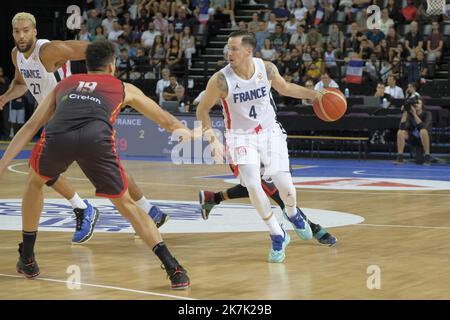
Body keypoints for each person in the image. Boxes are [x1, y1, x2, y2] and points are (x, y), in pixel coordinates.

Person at [0, 40, 191, 289]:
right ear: (111, 66)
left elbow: (31, 126)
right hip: (96, 140)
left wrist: (3, 164)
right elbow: (165, 120)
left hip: (59, 136)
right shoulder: (124, 87)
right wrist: (188, 131)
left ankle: (27, 257)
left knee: (35, 181)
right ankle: (173, 268)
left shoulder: (64, 84)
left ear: (86, 65)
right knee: (125, 203)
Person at [0, 12, 167, 244]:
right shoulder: (16, 55)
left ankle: (88, 208)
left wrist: (106, 57)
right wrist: (6, 96)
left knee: (48, 170)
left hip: (76, 113)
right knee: (41, 170)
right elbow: (21, 83)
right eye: (17, 31)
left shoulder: (47, 51)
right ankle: (135, 209)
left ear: (35, 31)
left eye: (26, 30)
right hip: (54, 118)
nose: (21, 35)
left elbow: (89, 49)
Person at [196, 31, 328, 263]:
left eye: (234, 48)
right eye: (228, 48)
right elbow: (202, 110)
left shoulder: (265, 69)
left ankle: (293, 213)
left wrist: (314, 95)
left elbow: (285, 88)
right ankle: (277, 233)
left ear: (249, 51)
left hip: (269, 133)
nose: (229, 53)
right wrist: (213, 140)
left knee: (285, 186)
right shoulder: (220, 80)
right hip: (240, 138)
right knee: (254, 186)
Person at [396, 97, 432, 165]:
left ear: (422, 105)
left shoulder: (427, 113)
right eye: (415, 104)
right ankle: (400, 157)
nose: (416, 105)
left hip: (425, 139)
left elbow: (423, 127)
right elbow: (402, 127)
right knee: (400, 132)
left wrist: (415, 115)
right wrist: (405, 112)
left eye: (418, 103)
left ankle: (427, 156)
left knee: (423, 131)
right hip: (414, 138)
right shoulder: (409, 115)